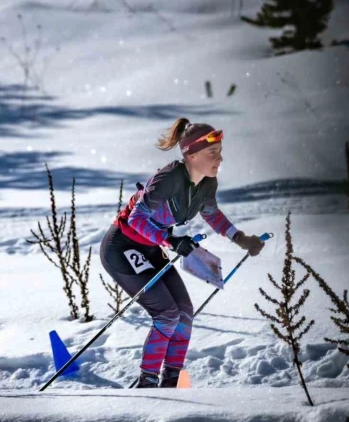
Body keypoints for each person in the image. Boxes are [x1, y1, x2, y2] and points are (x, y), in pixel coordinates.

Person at [99, 118, 265, 388]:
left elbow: (212, 214)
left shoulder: (207, 183)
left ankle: (172, 380)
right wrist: (170, 240)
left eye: (220, 151)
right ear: (191, 154)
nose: (220, 158)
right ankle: (147, 383)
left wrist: (241, 238)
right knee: (166, 313)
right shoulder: (170, 178)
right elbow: (136, 219)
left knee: (184, 312)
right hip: (123, 247)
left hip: (152, 246)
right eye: (213, 152)